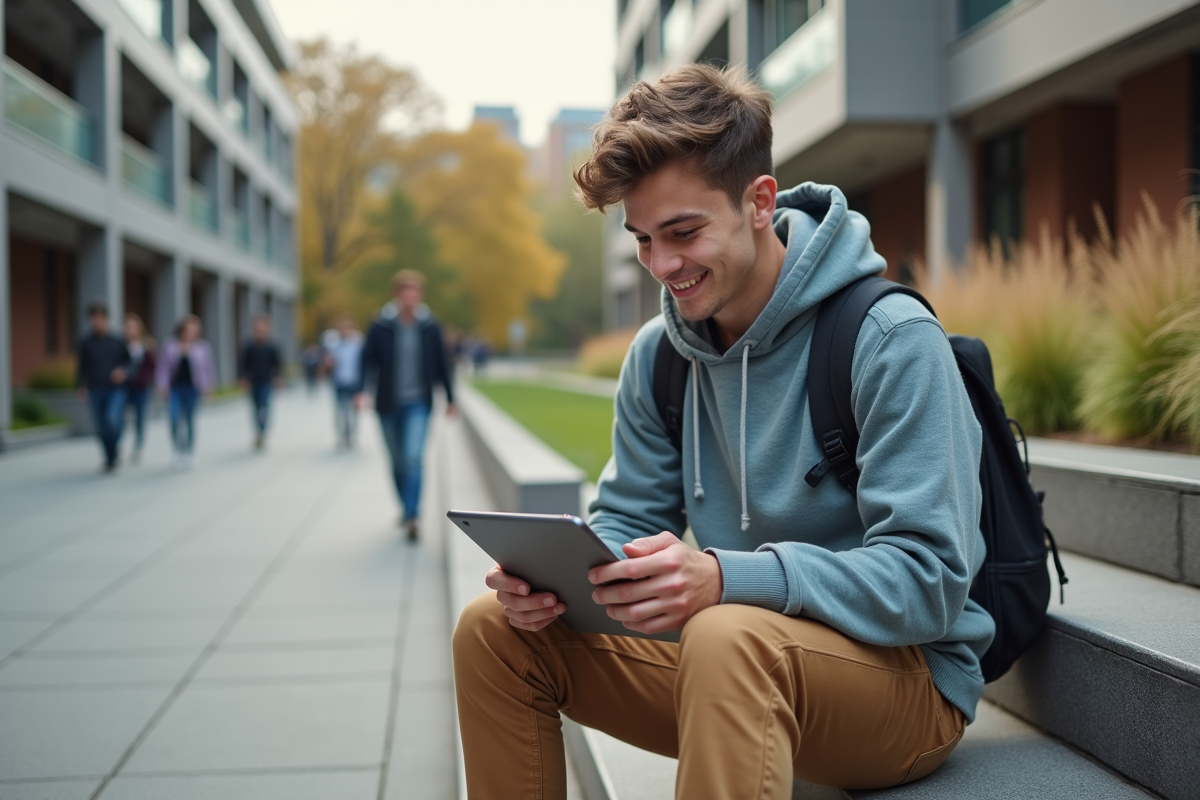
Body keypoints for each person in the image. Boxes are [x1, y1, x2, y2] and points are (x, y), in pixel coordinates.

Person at [452, 64, 991, 800]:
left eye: (682, 232)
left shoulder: (889, 337)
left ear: (759, 202)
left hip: (905, 686)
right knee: (492, 632)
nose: (663, 267)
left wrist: (729, 577)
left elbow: (929, 581)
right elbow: (627, 518)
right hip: (734, 669)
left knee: (725, 631)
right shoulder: (661, 354)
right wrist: (558, 580)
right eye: (643, 240)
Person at [356, 270, 455, 540]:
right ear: (396, 295)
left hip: (418, 403)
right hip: (387, 403)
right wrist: (360, 391)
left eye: (414, 292)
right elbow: (366, 360)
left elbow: (442, 364)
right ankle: (405, 505)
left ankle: (412, 514)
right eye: (405, 292)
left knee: (413, 458)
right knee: (397, 461)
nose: (410, 297)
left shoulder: (430, 326)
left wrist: (450, 398)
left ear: (419, 295)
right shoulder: (380, 324)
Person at [75, 301, 130, 473]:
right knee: (100, 427)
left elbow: (130, 363)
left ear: (106, 319)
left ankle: (114, 448)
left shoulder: (118, 340)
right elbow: (81, 366)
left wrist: (123, 371)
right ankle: (110, 457)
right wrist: (80, 386)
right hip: (94, 388)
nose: (96, 321)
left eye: (100, 318)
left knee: (112, 420)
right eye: (93, 318)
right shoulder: (86, 342)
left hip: (115, 389)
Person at [156, 315, 216, 469]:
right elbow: (163, 368)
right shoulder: (171, 345)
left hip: (193, 389)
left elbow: (208, 368)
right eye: (188, 329)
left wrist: (208, 387)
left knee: (189, 421)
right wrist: (162, 385)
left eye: (194, 330)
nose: (190, 333)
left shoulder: (202, 347)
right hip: (175, 389)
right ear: (182, 330)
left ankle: (189, 452)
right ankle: (177, 450)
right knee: (174, 419)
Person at [239, 313, 283, 451]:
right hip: (253, 382)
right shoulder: (249, 346)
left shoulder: (272, 346)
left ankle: (263, 432)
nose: (260, 329)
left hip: (266, 381)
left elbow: (277, 364)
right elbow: (243, 364)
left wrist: (278, 378)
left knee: (265, 406)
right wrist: (243, 378)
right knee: (255, 408)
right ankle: (258, 431)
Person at [322, 315, 364, 449]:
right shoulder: (334, 344)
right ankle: (341, 435)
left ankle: (351, 435)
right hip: (339, 381)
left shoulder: (358, 343)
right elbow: (328, 362)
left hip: (354, 381)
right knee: (340, 410)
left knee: (352, 411)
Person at [122, 313, 156, 464]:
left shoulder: (146, 345)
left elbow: (151, 366)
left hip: (141, 388)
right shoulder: (121, 345)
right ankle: (119, 446)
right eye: (128, 327)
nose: (131, 330)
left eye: (133, 327)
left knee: (140, 418)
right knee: (119, 417)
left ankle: (138, 446)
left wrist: (143, 379)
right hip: (124, 388)